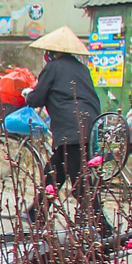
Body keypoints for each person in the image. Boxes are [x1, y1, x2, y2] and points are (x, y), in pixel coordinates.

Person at [21, 26, 110, 232]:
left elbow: (37, 98)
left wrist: (27, 95)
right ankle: (37, 213)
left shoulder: (53, 68)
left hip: (72, 130)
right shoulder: (81, 68)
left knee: (80, 183)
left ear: (51, 53)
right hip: (88, 125)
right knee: (54, 172)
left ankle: (103, 227)